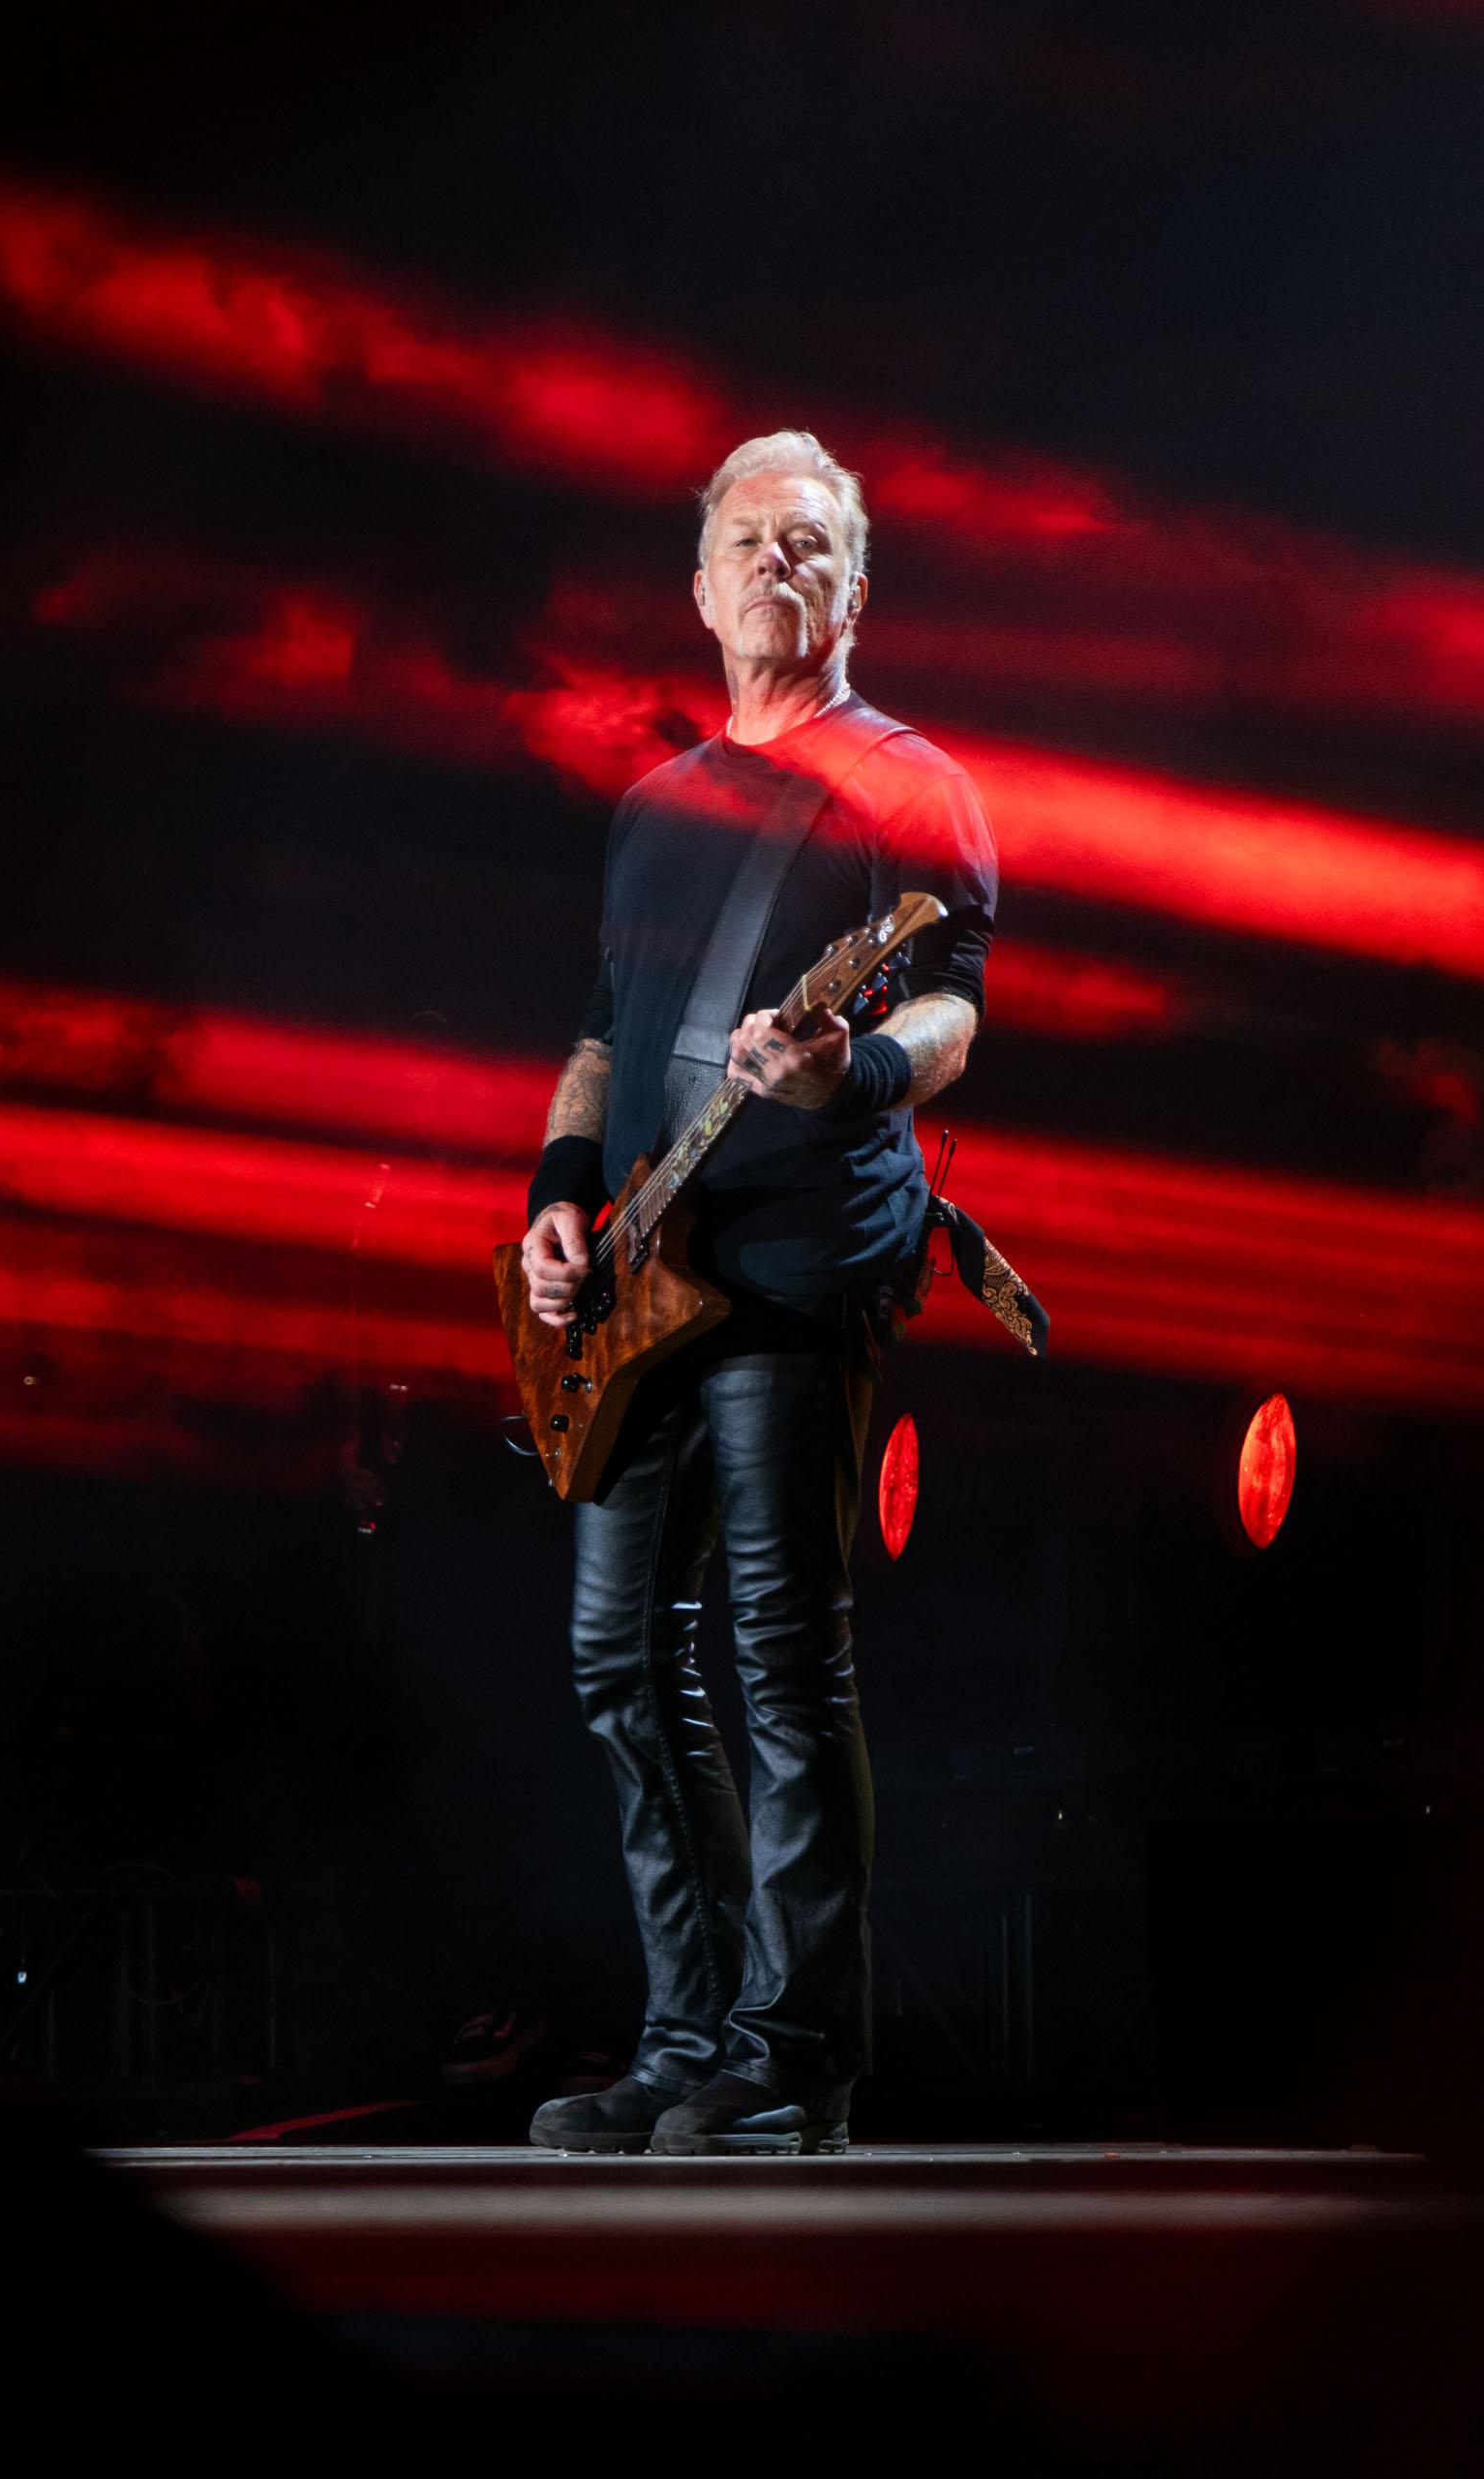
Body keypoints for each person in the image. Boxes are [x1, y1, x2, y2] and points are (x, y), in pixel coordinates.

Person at [518, 431, 997, 2157]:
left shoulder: (911, 784)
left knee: (782, 1657)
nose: (777, 563)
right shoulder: (653, 808)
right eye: (748, 542)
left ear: (855, 589)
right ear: (702, 591)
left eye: (809, 543)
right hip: (641, 1274)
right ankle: (689, 2036)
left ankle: (795, 2057)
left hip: (803, 1261)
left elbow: (951, 1007)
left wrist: (847, 1071)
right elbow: (603, 1034)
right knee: (617, 1660)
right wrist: (558, 1196)